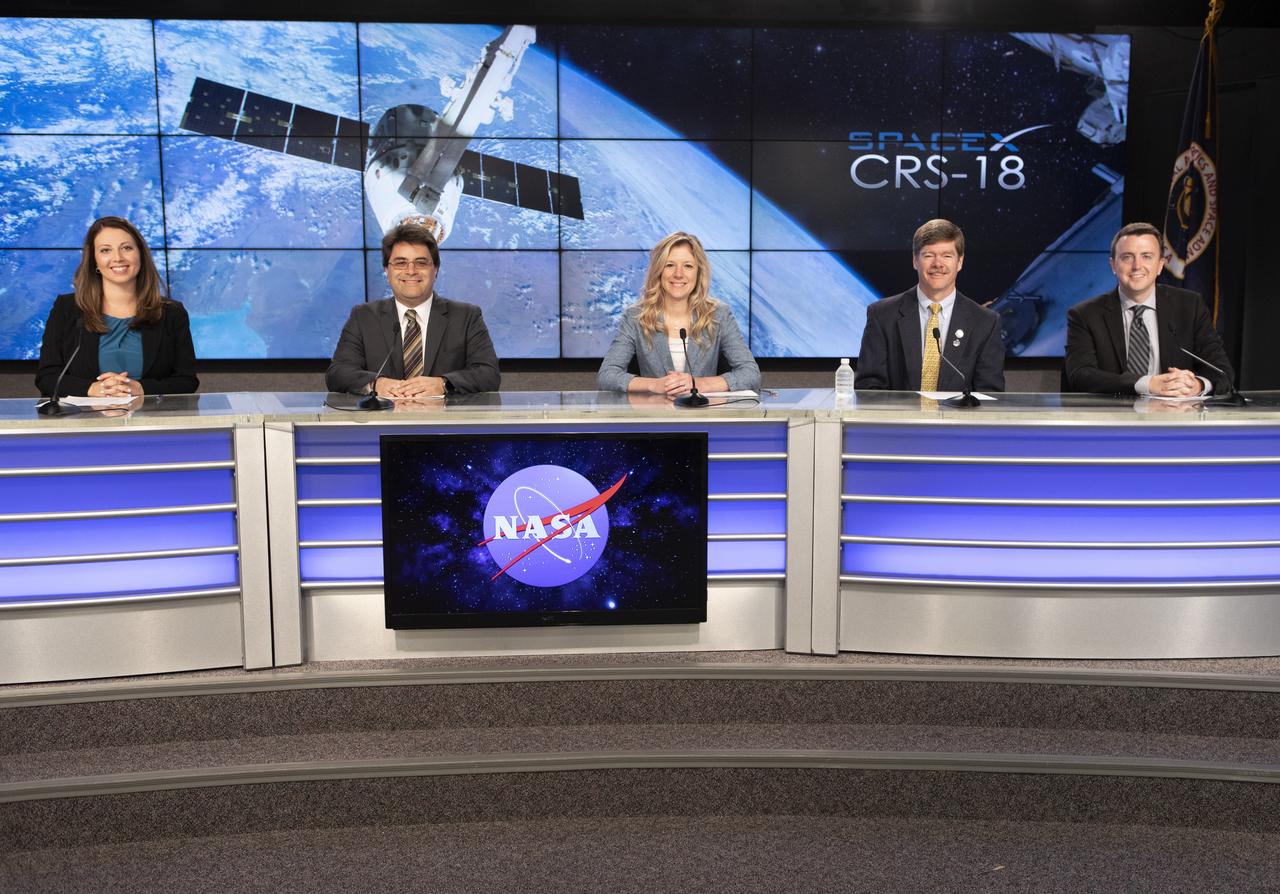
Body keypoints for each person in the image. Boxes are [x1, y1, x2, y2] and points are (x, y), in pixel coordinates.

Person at [326, 222, 500, 396]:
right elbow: (338, 374)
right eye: (400, 263)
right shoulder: (363, 316)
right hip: (382, 420)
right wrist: (377, 384)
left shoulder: (466, 317)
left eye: (421, 263)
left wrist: (443, 384)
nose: (411, 271)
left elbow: (489, 374)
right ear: (387, 270)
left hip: (444, 421)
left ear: (436, 270)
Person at [35, 216, 198, 398]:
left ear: (140, 254)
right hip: (85, 423)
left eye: (126, 248)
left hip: (150, 421)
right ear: (94, 261)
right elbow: (47, 378)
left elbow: (187, 381)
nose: (118, 258)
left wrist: (141, 389)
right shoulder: (67, 309)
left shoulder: (171, 313)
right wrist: (93, 389)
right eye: (105, 250)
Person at [1064, 222, 1233, 396]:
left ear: (1160, 264)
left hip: (1175, 418)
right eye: (1127, 257)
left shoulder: (1190, 306)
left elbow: (1222, 371)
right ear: (1113, 265)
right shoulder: (1084, 315)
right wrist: (1147, 384)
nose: (1137, 266)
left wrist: (1197, 385)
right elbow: (1080, 376)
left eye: (1146, 256)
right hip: (1113, 416)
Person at [597, 231, 759, 396]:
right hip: (655, 417)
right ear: (659, 271)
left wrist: (699, 384)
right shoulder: (635, 317)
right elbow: (607, 375)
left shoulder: (718, 314)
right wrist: (655, 385)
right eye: (670, 265)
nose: (678, 274)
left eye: (688, 266)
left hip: (704, 417)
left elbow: (751, 373)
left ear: (698, 272)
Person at [854, 219, 1005, 393]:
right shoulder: (882, 315)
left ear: (960, 262)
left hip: (958, 420)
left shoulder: (985, 322)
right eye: (928, 255)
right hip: (900, 420)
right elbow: (868, 389)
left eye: (947, 255)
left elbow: (990, 395)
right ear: (915, 261)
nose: (938, 264)